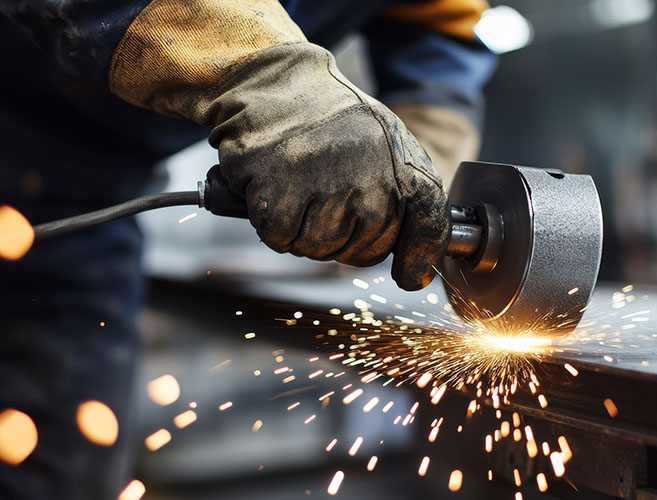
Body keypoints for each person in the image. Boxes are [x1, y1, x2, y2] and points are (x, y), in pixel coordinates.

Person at [0, 0, 496, 498]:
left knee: (64, 469)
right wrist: (273, 82)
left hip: (91, 189)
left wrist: (425, 164)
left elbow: (437, 32)